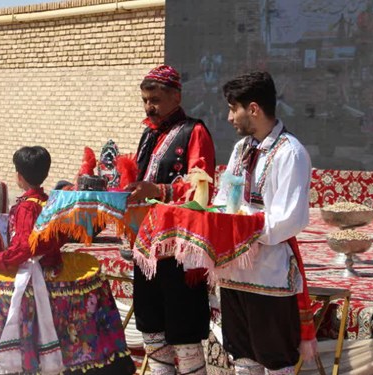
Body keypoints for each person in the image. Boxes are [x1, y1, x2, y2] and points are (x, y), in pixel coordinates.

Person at [0, 146, 135, 375]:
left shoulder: (26, 207)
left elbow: (24, 247)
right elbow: (59, 236)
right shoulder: (51, 201)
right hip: (52, 268)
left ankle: (26, 363)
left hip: (34, 272)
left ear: (19, 176)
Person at [213, 71, 316, 375]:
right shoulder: (241, 149)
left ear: (254, 109)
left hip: (269, 276)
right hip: (234, 272)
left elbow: (289, 218)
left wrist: (241, 224)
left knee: (275, 361)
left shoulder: (290, 153)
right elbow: (223, 197)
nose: (230, 116)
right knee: (242, 358)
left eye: (234, 108)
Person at [129, 65, 216, 375]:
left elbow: (201, 187)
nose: (149, 107)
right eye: (145, 100)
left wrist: (159, 190)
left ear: (176, 96)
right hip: (147, 248)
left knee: (184, 335)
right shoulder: (147, 134)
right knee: (151, 331)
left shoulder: (195, 131)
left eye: (155, 99)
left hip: (180, 252)